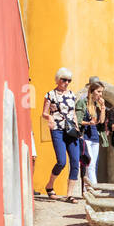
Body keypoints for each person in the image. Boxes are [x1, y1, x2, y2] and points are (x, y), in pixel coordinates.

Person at [42, 67, 81, 202]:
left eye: (69, 80)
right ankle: (49, 185)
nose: (66, 83)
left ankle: (69, 195)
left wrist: (77, 129)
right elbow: (44, 113)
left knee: (75, 162)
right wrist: (50, 118)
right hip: (57, 130)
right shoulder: (50, 95)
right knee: (61, 161)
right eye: (64, 80)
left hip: (71, 131)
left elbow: (73, 113)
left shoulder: (72, 95)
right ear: (58, 79)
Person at [77, 80, 108, 191]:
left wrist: (103, 107)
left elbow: (101, 121)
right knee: (88, 163)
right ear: (92, 91)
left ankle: (89, 188)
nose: (100, 94)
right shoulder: (82, 102)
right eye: (98, 91)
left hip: (95, 137)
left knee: (93, 164)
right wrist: (88, 123)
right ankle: (93, 188)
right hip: (85, 137)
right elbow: (78, 120)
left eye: (101, 92)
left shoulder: (96, 105)